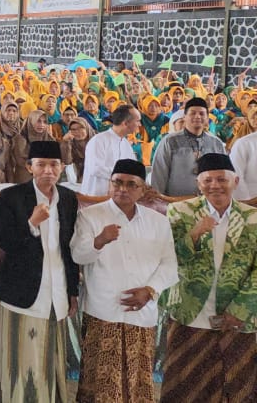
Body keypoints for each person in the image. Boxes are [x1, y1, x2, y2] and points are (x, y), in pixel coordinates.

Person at [70, 158, 178, 403]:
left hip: (142, 313)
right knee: (100, 383)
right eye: (117, 182)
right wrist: (99, 241)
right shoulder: (90, 216)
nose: (122, 189)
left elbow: (170, 265)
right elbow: (78, 256)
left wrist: (150, 290)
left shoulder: (158, 222)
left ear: (143, 189)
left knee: (137, 383)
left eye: (131, 184)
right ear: (110, 184)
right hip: (103, 312)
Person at [162, 153, 257, 401]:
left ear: (235, 181)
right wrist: (193, 234)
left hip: (238, 316)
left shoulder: (253, 217)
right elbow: (168, 259)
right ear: (198, 183)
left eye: (221, 179)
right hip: (190, 312)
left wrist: (240, 309)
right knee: (185, 385)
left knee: (237, 386)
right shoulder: (179, 211)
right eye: (208, 180)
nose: (215, 185)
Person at [0, 140, 80, 403]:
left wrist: (72, 290)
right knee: (20, 364)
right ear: (29, 167)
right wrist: (32, 223)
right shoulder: (11, 197)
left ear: (62, 167)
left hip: (57, 292)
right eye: (41, 165)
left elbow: (69, 249)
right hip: (21, 295)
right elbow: (5, 242)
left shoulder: (68, 198)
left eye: (54, 165)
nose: (48, 171)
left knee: (51, 360)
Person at [152, 97, 227, 198]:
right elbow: (159, 174)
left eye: (202, 114)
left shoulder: (216, 143)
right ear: (184, 117)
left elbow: (223, 174)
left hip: (208, 202)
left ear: (207, 118)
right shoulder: (170, 141)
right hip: (175, 203)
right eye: (193, 113)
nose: (197, 116)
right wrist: (159, 198)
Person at [81, 103, 139, 197]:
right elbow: (95, 168)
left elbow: (133, 168)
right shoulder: (98, 140)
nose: (140, 124)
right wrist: (123, 175)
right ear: (125, 123)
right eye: (137, 121)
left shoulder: (126, 144)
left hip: (118, 197)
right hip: (95, 197)